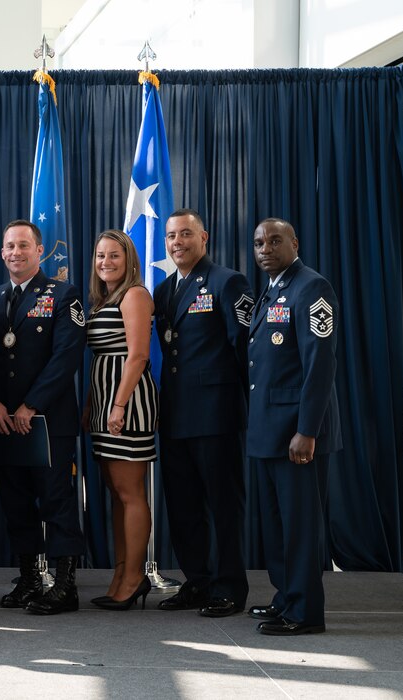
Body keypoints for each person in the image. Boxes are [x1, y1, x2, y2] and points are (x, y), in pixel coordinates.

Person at [0, 220, 87, 616]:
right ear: (1, 253)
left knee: (56, 501)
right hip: (3, 422)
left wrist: (32, 404)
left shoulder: (64, 294)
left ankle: (65, 584)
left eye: (24, 245)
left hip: (47, 422)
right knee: (16, 503)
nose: (15, 252)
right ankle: (28, 579)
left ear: (40, 252)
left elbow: (67, 356)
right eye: (9, 246)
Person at [153, 209, 254, 618]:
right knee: (183, 505)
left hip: (216, 414)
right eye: (171, 236)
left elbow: (245, 348)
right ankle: (197, 581)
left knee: (223, 505)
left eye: (185, 234)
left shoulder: (228, 282)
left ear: (204, 237)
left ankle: (229, 588)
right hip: (174, 414)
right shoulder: (163, 291)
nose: (177, 242)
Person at [247, 217, 340, 636]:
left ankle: (305, 612)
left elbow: (319, 365)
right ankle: (286, 598)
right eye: (259, 242)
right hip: (269, 431)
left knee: (300, 525)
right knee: (276, 524)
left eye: (275, 240)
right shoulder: (272, 290)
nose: (265, 248)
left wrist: (308, 430)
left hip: (297, 434)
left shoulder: (311, 288)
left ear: (294, 243)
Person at [83, 229, 157, 612]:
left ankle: (134, 577)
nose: (106, 262)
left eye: (114, 255)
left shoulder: (135, 295)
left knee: (131, 494)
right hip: (105, 406)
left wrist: (119, 404)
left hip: (128, 406)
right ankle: (121, 572)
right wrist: (94, 406)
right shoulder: (104, 299)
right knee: (116, 494)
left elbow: (139, 356)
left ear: (129, 259)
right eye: (100, 256)